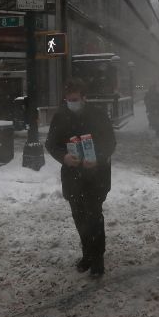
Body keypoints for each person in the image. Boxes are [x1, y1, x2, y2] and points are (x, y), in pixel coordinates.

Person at [45, 78, 116, 278]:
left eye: (75, 99)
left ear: (84, 98)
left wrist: (98, 159)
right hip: (73, 178)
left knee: (94, 216)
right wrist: (64, 157)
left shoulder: (98, 115)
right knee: (79, 218)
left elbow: (110, 142)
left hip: (96, 177)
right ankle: (87, 254)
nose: (71, 103)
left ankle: (98, 259)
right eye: (68, 99)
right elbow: (51, 144)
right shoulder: (60, 117)